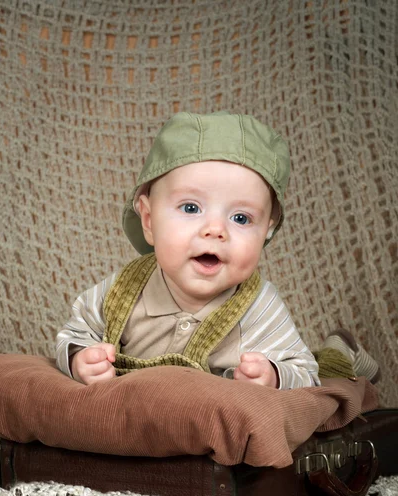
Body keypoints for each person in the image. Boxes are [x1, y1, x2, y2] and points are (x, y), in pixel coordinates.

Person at [56, 112, 379, 387]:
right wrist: (79, 358)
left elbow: (305, 371)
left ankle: (343, 352)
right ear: (150, 220)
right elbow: (73, 334)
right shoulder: (121, 292)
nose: (215, 230)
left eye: (240, 217)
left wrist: (273, 377)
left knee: (327, 367)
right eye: (190, 208)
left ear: (267, 229)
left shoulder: (259, 307)